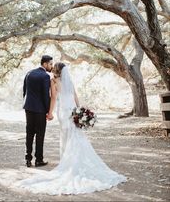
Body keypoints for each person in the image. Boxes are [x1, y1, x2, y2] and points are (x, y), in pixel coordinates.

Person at [16, 62, 127, 195]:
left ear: (56, 71)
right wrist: (80, 111)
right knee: (75, 135)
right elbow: (75, 96)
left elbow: (54, 98)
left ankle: (66, 160)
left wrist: (49, 113)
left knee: (65, 135)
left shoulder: (54, 81)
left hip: (63, 111)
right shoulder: (69, 81)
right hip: (73, 110)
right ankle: (71, 159)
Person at [23, 55, 53, 168]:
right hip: (40, 110)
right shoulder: (45, 76)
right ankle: (38, 160)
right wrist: (48, 111)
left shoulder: (29, 73)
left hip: (28, 108)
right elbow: (46, 96)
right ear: (45, 64)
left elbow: (24, 91)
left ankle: (28, 159)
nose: (51, 66)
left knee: (29, 133)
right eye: (50, 64)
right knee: (40, 135)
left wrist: (27, 104)